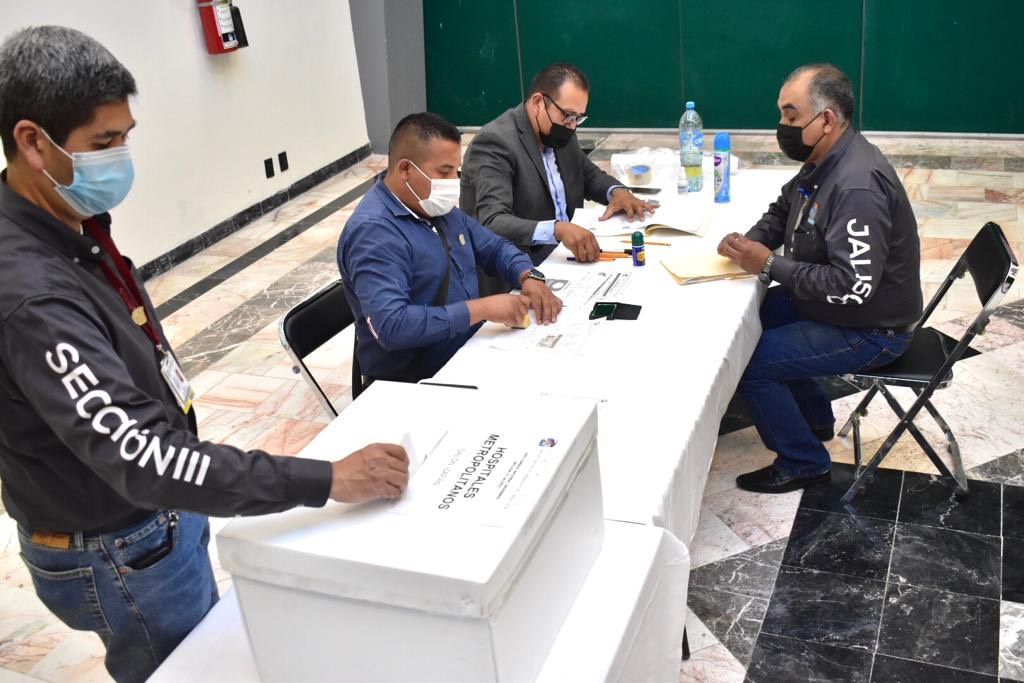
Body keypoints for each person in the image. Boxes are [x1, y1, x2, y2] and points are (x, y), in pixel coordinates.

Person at [0, 26, 409, 683]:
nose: (120, 158)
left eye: (125, 137)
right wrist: (327, 479)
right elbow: (144, 457)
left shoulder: (66, 219)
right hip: (120, 543)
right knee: (187, 667)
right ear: (32, 141)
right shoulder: (32, 295)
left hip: (153, 516)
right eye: (104, 143)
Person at [717, 63, 922, 494]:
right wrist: (748, 244)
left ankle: (804, 462)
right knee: (744, 324)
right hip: (831, 307)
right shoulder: (824, 160)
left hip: (872, 328)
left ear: (826, 119)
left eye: (791, 115)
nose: (782, 126)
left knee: (750, 362)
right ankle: (815, 420)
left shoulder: (857, 186)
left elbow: (852, 287)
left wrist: (768, 265)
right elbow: (783, 210)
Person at [338, 112, 563, 384]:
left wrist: (529, 276)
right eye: (444, 172)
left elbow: (494, 247)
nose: (454, 181)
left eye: (456, 170)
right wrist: (482, 309)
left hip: (469, 349)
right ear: (406, 170)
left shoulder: (433, 206)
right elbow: (393, 326)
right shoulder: (374, 233)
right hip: (417, 380)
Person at [460, 62, 655, 285]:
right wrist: (556, 229)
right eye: (568, 116)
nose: (572, 126)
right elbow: (493, 221)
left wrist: (617, 192)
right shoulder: (495, 142)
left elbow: (587, 174)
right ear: (538, 103)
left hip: (566, 260)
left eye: (578, 118)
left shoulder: (559, 130)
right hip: (518, 273)